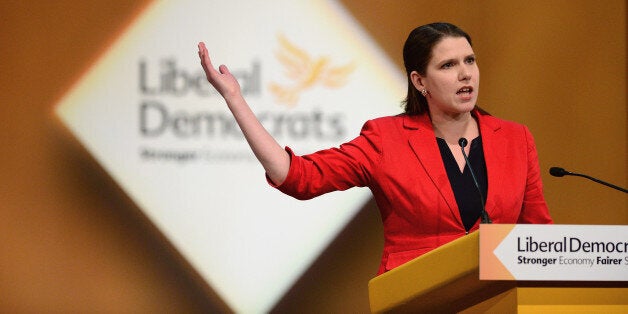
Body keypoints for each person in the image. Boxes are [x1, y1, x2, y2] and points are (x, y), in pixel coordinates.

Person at [197, 22, 553, 275]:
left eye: (469, 61)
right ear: (419, 81)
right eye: (448, 65)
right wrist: (235, 99)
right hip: (417, 297)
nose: (466, 74)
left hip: (498, 299)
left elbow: (539, 236)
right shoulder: (386, 140)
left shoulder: (515, 139)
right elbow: (298, 177)